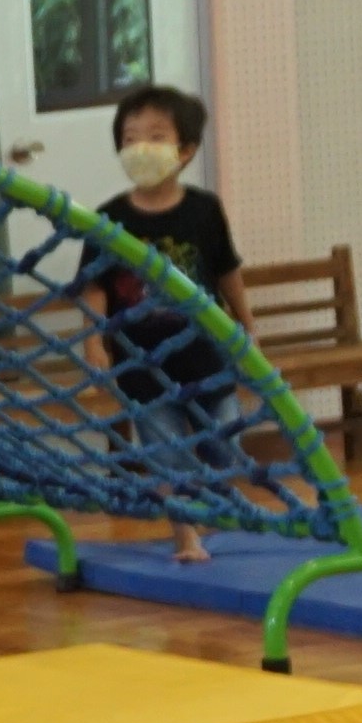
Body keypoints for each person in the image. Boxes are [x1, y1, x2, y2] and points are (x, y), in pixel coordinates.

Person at [74, 82, 252, 564]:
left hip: (205, 353)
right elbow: (92, 286)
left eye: (154, 136)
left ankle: (207, 505)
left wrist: (246, 326)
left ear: (186, 150)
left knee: (225, 444)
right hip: (142, 362)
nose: (140, 148)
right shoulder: (109, 220)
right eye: (130, 138)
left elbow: (226, 270)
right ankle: (186, 536)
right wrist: (94, 341)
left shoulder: (204, 210)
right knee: (165, 450)